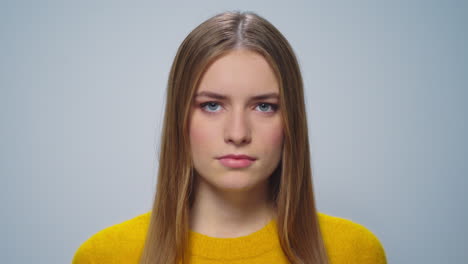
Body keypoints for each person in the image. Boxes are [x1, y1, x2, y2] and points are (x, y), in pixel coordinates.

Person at [72, 11, 387, 264]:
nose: (238, 133)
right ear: (179, 119)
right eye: (211, 105)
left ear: (291, 121)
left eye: (264, 106)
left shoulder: (354, 252)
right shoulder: (104, 256)